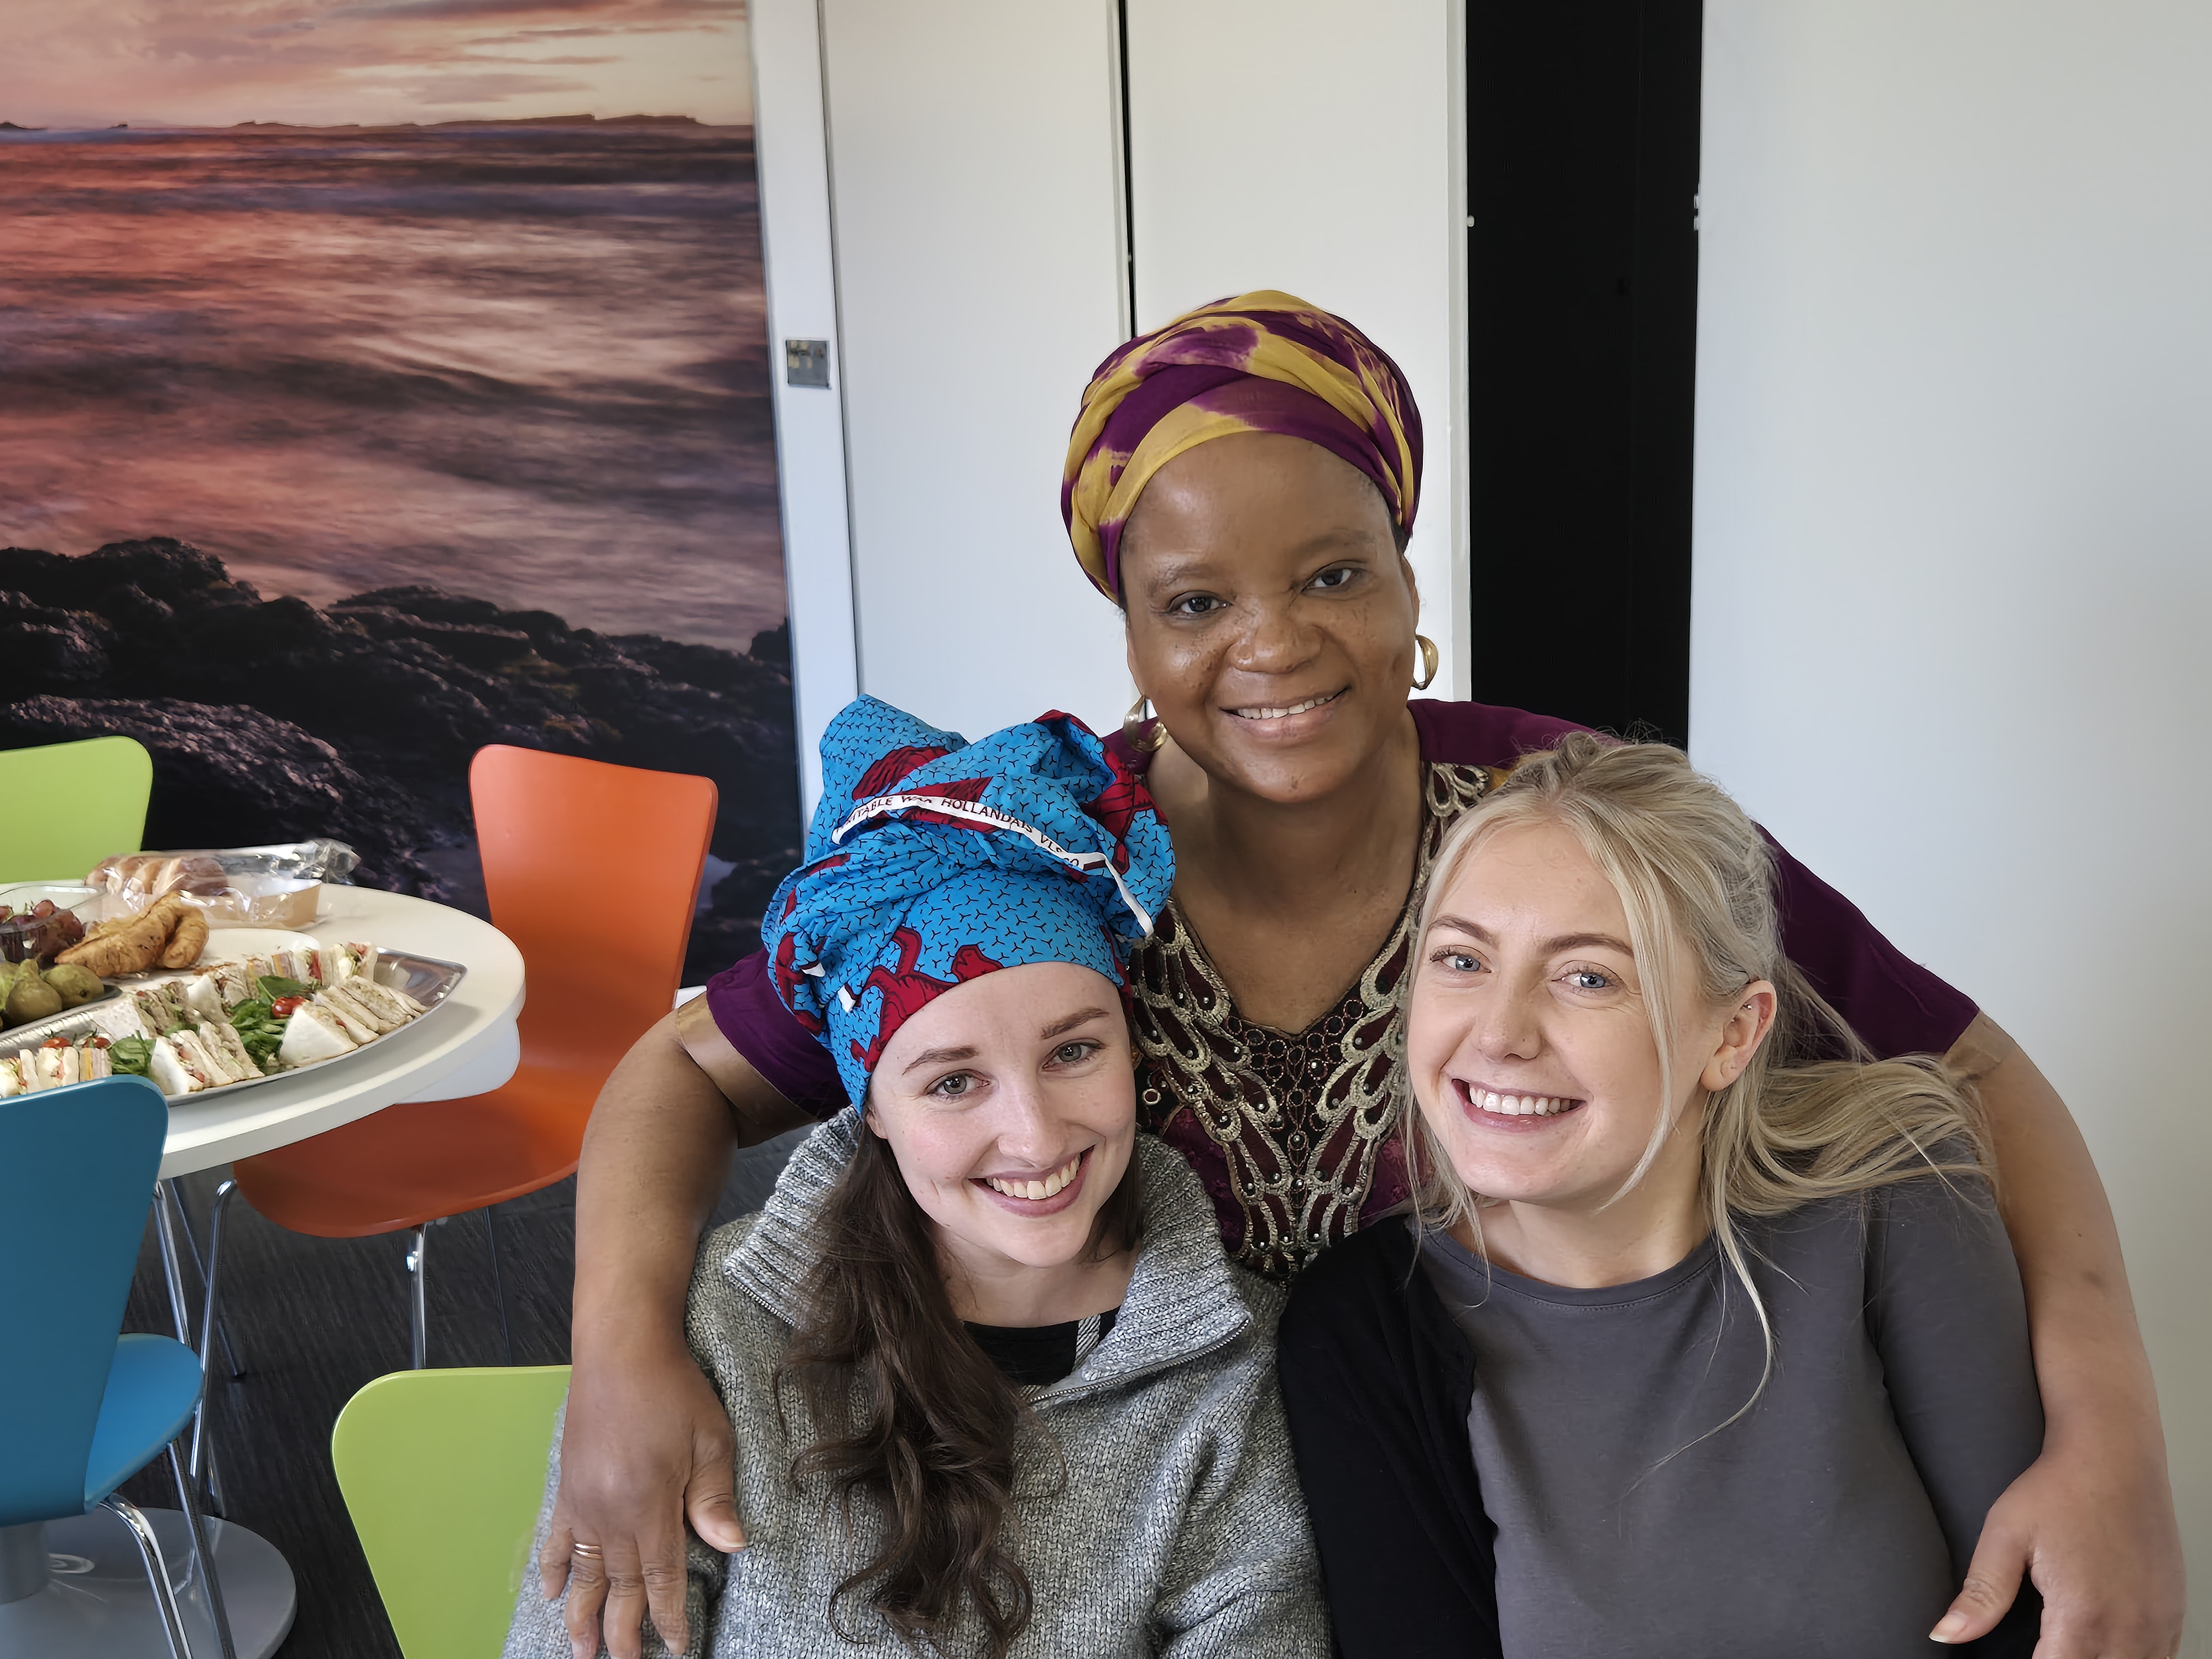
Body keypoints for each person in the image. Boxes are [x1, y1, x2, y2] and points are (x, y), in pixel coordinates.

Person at [546, 293, 2180, 1659]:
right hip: (1123, 1540)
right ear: (1127, 630)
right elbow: (687, 1070)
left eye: (1334, 573)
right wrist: (623, 1351)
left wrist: (2111, 1432)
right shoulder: (1045, 867)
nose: (1274, 643)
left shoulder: (1556, 817)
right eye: (1195, 602)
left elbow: (1962, 1067)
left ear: (1409, 581)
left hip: (1505, 1528)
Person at [507, 698, 1327, 1659]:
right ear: (872, 1112)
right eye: (953, 1081)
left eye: (1073, 1053)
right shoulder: (711, 1332)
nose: (1032, 1135)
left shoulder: (1242, 1365)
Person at [1279, 734, 2076, 1657]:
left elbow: (2029, 1617)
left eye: (1588, 976)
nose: (1499, 1034)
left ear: (1734, 1034)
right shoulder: (1363, 1332)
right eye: (1463, 960)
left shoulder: (1893, 1187)